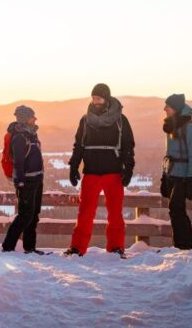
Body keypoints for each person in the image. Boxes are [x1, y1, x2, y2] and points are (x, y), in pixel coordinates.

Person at [65, 84, 135, 257]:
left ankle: (116, 247)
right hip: (91, 172)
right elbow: (79, 145)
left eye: (99, 98)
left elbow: (128, 146)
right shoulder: (85, 120)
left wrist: (129, 168)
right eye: (93, 98)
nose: (95, 102)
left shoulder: (120, 120)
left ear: (106, 99)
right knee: (85, 213)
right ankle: (77, 248)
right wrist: (74, 166)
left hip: (113, 172)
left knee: (115, 213)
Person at [1, 105, 46, 255]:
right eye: (33, 116)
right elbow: (18, 162)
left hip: (37, 179)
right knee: (25, 215)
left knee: (33, 215)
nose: (35, 119)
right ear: (26, 118)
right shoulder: (20, 137)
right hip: (26, 182)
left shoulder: (31, 134)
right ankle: (8, 247)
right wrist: (20, 182)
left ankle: (30, 248)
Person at [160, 93, 192, 250]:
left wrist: (191, 179)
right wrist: (164, 175)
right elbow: (169, 154)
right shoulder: (172, 126)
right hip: (172, 173)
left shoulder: (189, 128)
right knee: (175, 210)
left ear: (175, 108)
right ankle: (180, 246)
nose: (164, 109)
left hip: (183, 176)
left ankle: (186, 246)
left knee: (177, 209)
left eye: (167, 107)